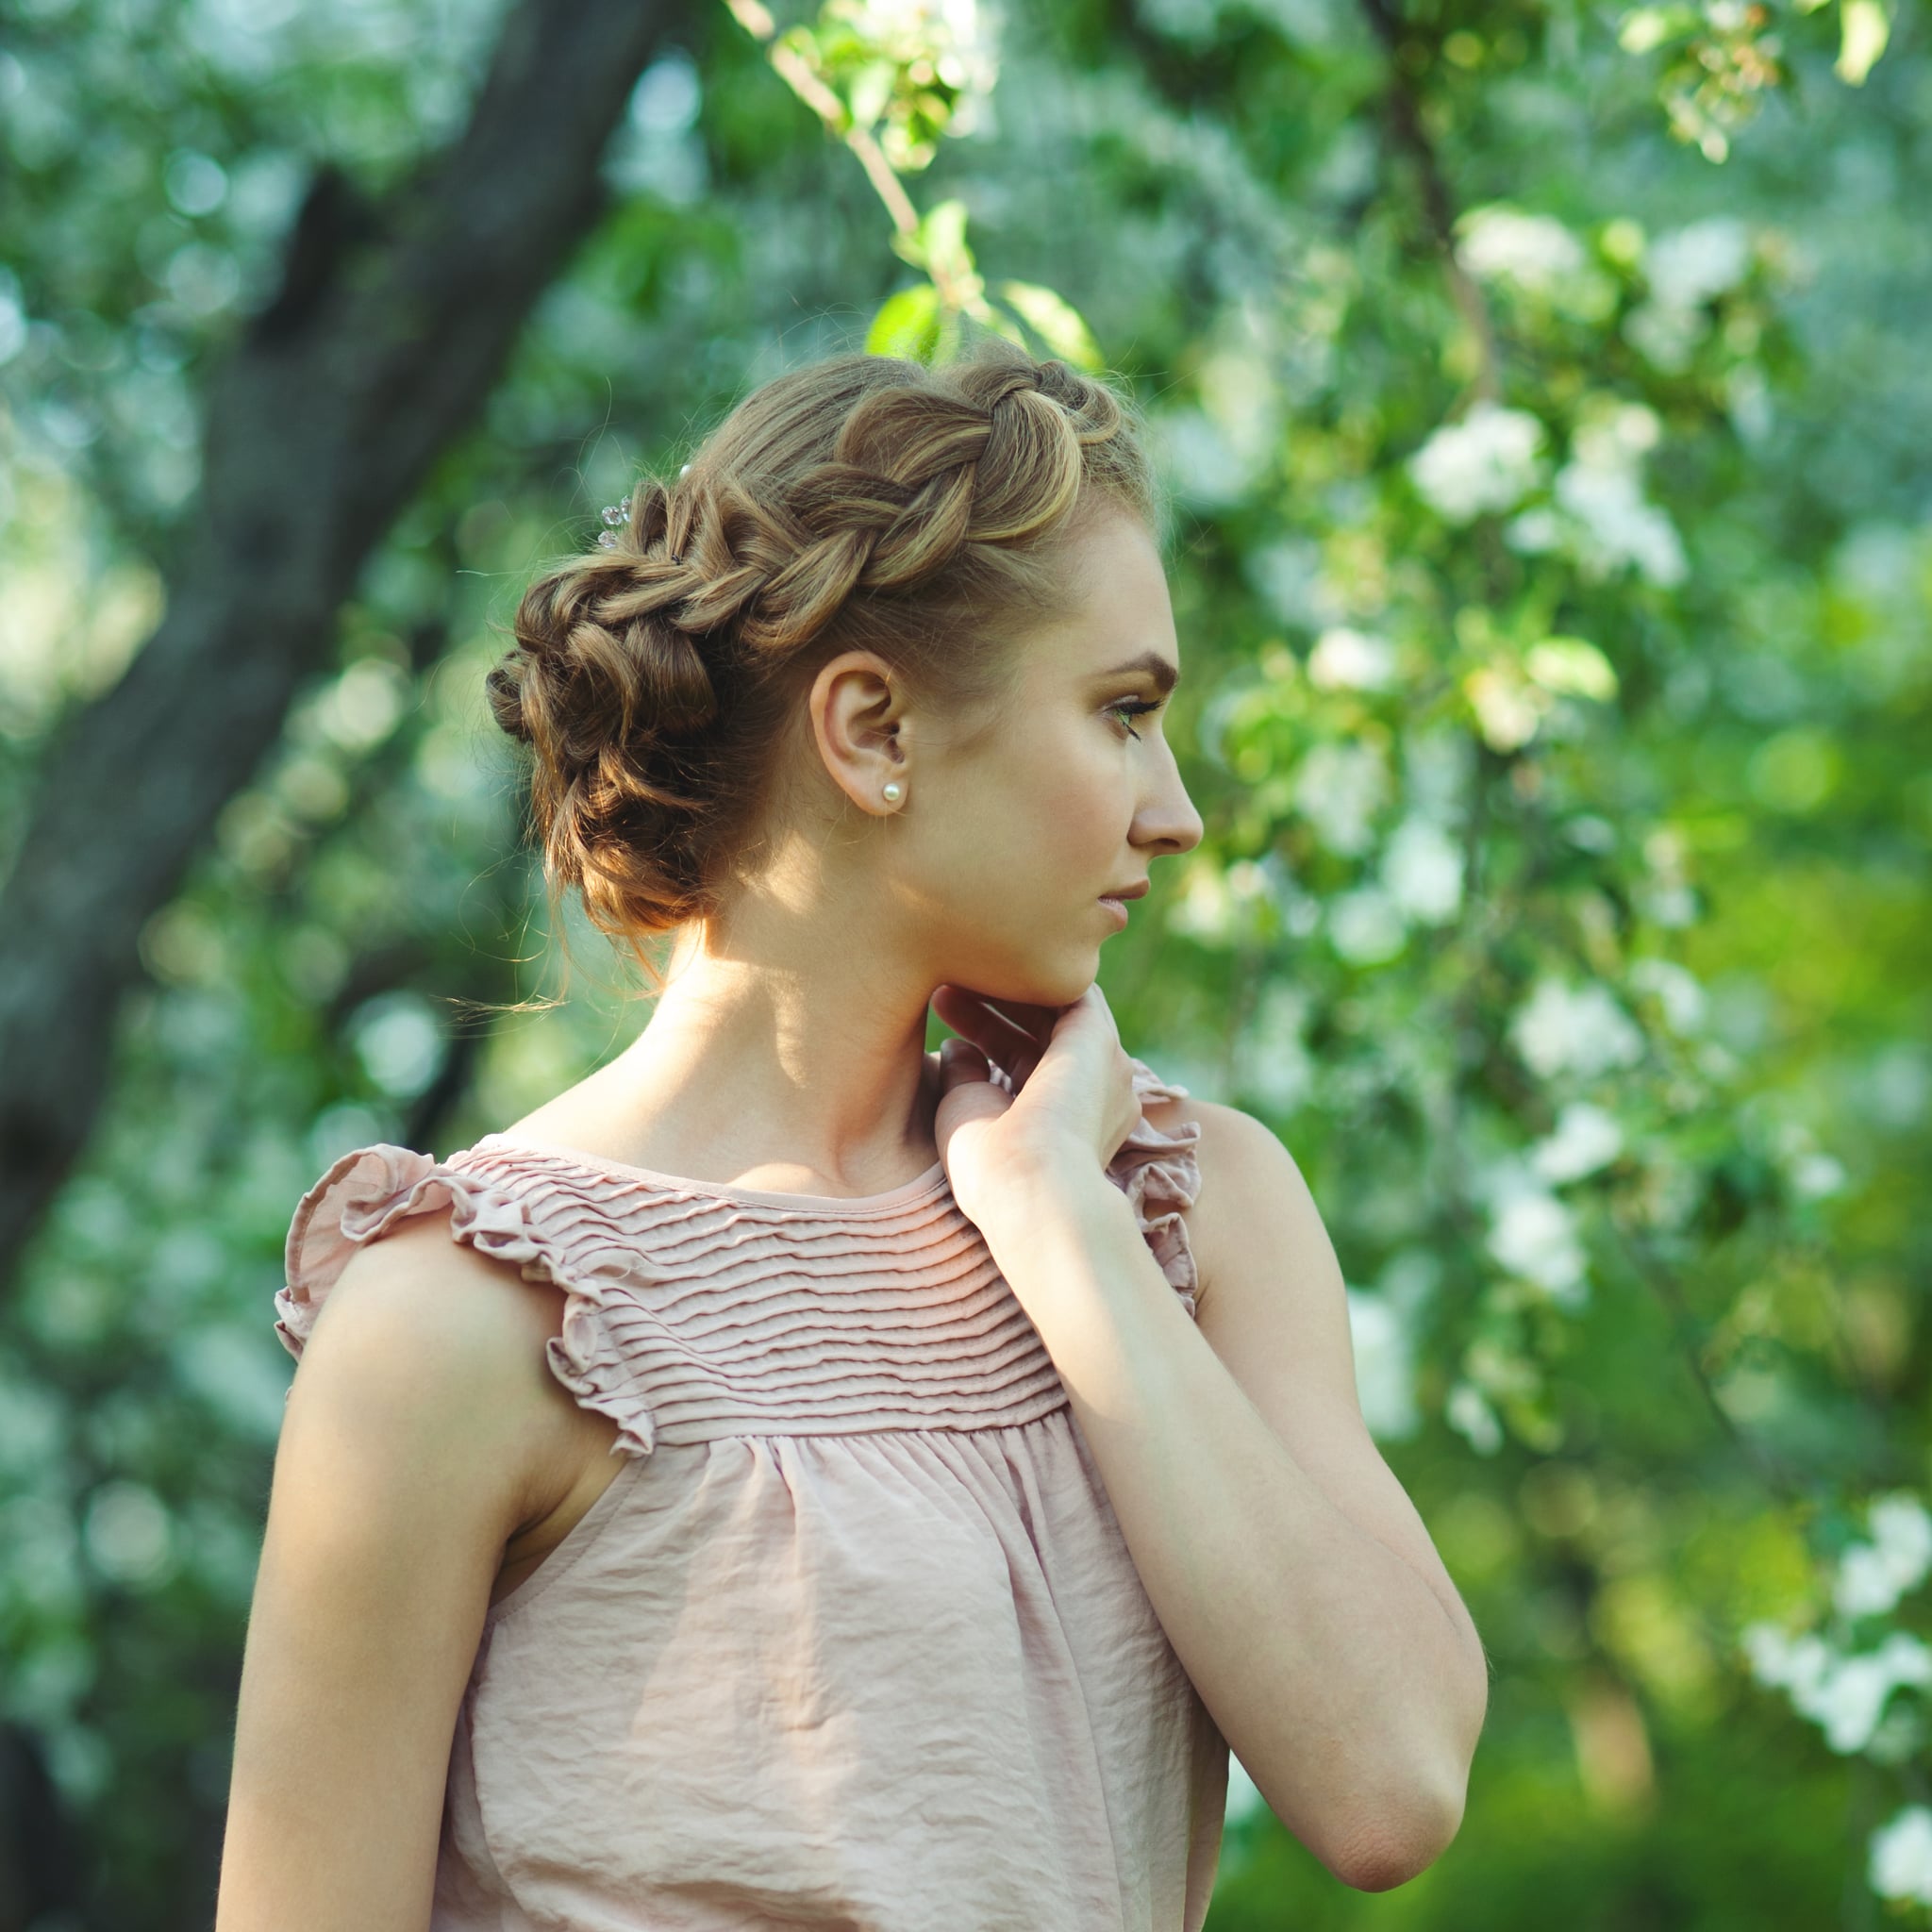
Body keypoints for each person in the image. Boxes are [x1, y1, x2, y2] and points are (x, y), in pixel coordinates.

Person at [216, 332, 1486, 1930]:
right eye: (1121, 710)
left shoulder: (1187, 1214)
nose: (1177, 809)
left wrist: (1059, 1227)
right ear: (874, 730)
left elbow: (1394, 1786)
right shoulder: (465, 1318)